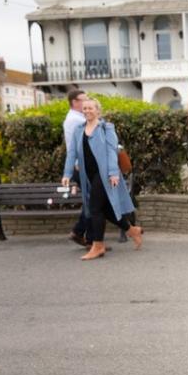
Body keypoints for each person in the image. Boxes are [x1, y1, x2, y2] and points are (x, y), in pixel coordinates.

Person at [62, 97, 142, 260]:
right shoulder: (78, 129)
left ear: (98, 110)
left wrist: (113, 173)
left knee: (94, 208)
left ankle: (97, 245)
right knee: (105, 210)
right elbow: (72, 153)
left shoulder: (106, 128)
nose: (87, 111)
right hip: (88, 176)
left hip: (105, 174)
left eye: (90, 108)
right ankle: (132, 230)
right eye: (84, 109)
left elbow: (112, 151)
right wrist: (67, 174)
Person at [63, 88, 92, 248]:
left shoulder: (75, 117)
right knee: (92, 203)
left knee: (91, 201)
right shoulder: (75, 120)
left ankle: (80, 233)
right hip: (81, 167)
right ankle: (89, 239)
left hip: (80, 166)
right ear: (75, 102)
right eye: (84, 100)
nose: (87, 103)